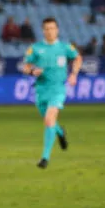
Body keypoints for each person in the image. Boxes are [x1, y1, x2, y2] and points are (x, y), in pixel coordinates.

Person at [22, 17, 83, 169]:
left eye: (52, 28)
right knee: (50, 122)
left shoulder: (65, 47)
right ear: (43, 31)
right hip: (41, 90)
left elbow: (78, 58)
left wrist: (74, 74)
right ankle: (60, 132)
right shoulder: (35, 48)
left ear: (57, 30)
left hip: (58, 89)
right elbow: (26, 66)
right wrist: (32, 71)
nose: (50, 31)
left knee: (49, 120)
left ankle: (45, 158)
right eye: (47, 29)